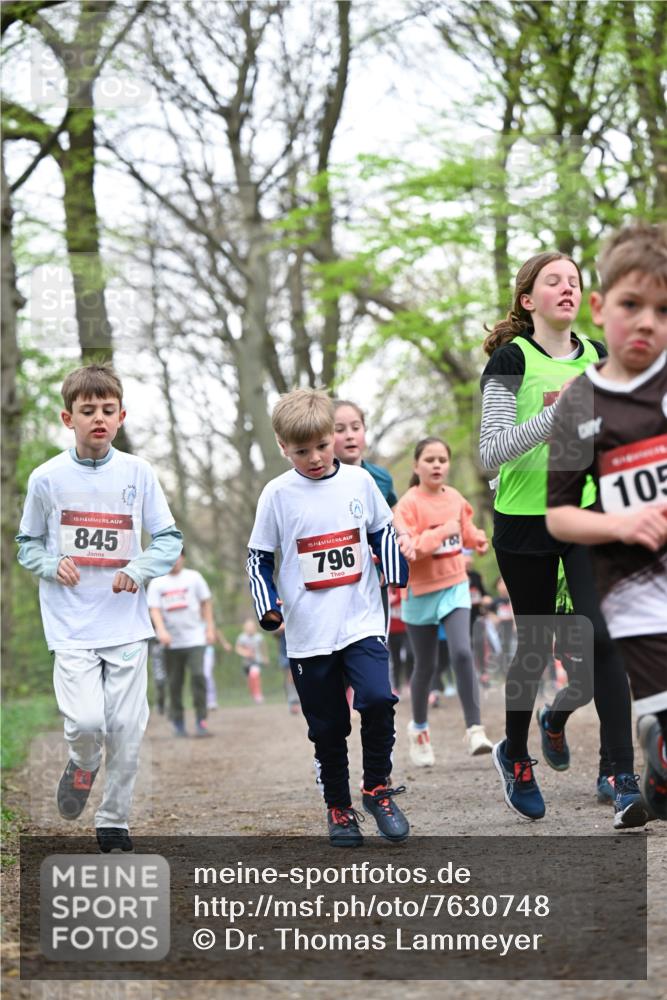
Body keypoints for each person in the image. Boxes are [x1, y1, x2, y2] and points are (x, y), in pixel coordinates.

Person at [479, 251, 642, 828]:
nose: (568, 288)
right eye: (554, 281)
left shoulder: (599, 357)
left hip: (585, 512)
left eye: (574, 280)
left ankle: (622, 776)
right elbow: (491, 451)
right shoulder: (510, 360)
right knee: (534, 646)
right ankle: (516, 756)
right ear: (529, 300)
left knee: (604, 637)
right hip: (523, 520)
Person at [16, 364, 182, 853]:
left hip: (125, 623)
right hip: (71, 625)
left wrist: (140, 568)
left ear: (121, 416)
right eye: (88, 410)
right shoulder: (46, 478)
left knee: (127, 730)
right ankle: (84, 763)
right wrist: (51, 564)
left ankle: (113, 821)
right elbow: (26, 544)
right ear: (69, 418)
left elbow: (168, 538)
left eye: (108, 410)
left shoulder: (139, 473)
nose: (99, 419)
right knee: (88, 724)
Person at [245, 388, 410, 847]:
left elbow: (382, 530)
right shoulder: (277, 494)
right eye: (302, 451)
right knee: (329, 727)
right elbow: (258, 557)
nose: (315, 458)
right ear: (283, 447)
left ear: (332, 437)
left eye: (322, 445)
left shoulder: (359, 482)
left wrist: (394, 568)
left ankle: (377, 788)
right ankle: (338, 808)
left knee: (377, 699)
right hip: (309, 632)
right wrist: (267, 605)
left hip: (360, 620)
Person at [546, 221, 667, 822]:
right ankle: (656, 756)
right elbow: (561, 516)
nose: (647, 322)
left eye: (663, 311)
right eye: (631, 305)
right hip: (632, 587)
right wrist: (621, 525)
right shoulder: (578, 402)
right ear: (599, 308)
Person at [394, 437, 493, 764]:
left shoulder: (455, 498)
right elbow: (414, 548)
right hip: (420, 592)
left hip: (454, 585)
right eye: (429, 459)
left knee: (462, 652)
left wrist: (478, 540)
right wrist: (443, 531)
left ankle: (475, 729)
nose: (437, 465)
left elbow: (465, 530)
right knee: (425, 665)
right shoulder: (408, 505)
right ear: (416, 465)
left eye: (442, 459)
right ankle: (419, 730)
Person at [147, 550, 217, 737]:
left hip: (195, 638)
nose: (175, 560)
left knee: (198, 676)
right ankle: (178, 722)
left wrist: (210, 628)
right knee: (174, 683)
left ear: (183, 558)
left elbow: (206, 603)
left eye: (178, 555)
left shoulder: (194, 577)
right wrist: (161, 630)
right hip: (171, 643)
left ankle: (201, 720)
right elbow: (154, 609)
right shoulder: (157, 582)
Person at [235, 618, 268, 704]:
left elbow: (263, 647)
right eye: (248, 627)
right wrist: (245, 653)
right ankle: (254, 694)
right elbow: (238, 648)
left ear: (255, 627)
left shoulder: (259, 637)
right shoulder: (242, 637)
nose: (250, 629)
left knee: (255, 676)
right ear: (244, 628)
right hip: (246, 663)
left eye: (251, 627)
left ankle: (258, 694)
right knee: (250, 679)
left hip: (256, 661)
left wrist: (265, 657)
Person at [203, 628, 232, 711]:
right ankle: (201, 701)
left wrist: (225, 643)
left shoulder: (206, 621)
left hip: (207, 650)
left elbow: (215, 631)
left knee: (207, 675)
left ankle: (211, 701)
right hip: (193, 650)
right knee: (198, 676)